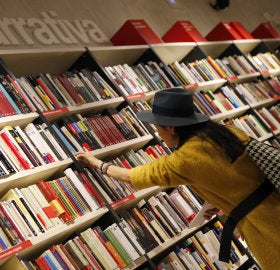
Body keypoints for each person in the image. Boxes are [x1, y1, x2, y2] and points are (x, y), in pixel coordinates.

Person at [74, 87, 280, 270]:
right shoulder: (221, 133)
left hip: (265, 225)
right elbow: (238, 175)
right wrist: (224, 201)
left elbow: (132, 176)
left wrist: (96, 163)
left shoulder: (185, 159)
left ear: (171, 127)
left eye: (158, 126)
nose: (157, 132)